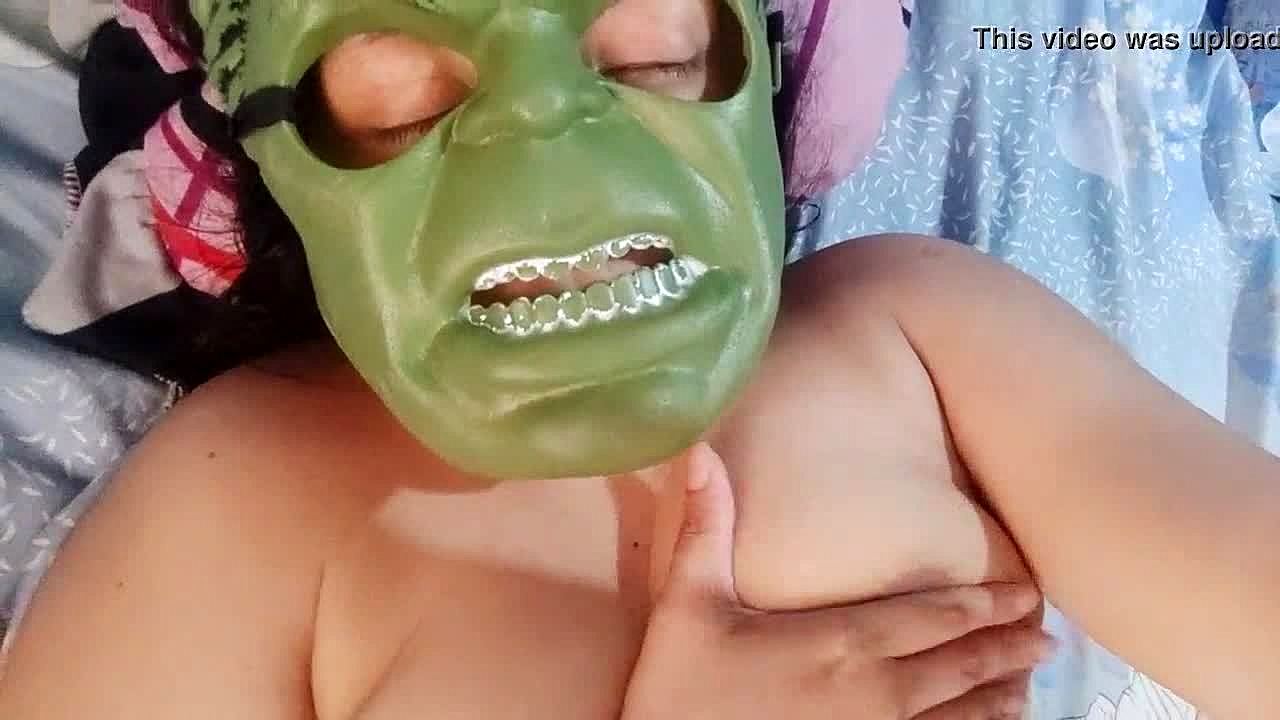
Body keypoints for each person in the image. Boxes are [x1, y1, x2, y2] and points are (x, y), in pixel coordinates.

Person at [2, 2, 1279, 720]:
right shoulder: (244, 490)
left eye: (650, 43)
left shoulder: (910, 329)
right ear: (259, 142)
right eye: (406, 86)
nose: (548, 128)